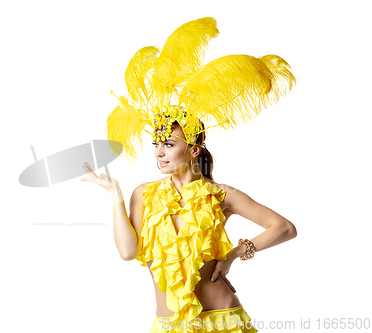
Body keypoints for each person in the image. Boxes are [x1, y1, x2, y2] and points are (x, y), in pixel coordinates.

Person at [81, 17, 297, 333]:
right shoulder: (144, 194)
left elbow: (284, 228)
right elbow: (128, 253)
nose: (158, 153)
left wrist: (235, 253)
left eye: (168, 144)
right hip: (170, 325)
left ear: (194, 149)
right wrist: (115, 194)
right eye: (156, 145)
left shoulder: (223, 195)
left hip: (223, 320)